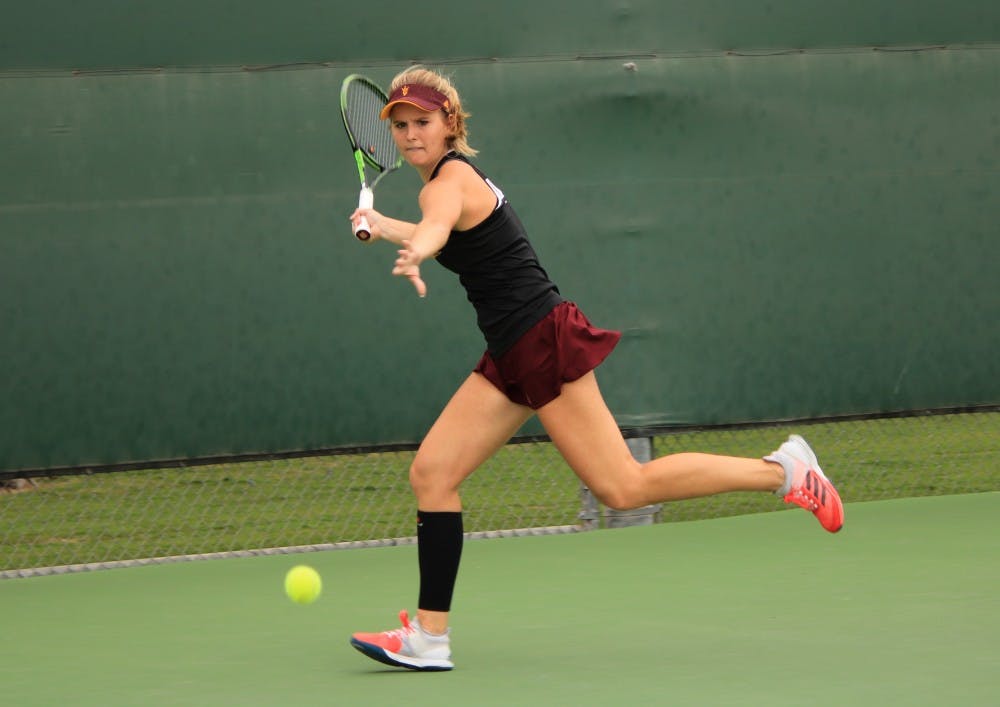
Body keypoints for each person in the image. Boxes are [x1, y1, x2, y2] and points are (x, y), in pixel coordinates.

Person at [347, 66, 844, 672]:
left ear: (450, 122)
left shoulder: (446, 183)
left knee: (623, 487)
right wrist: (385, 229)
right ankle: (430, 637)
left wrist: (416, 247)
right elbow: (446, 233)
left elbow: (439, 226)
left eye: (422, 122)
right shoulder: (452, 183)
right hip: (510, 352)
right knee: (432, 474)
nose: (409, 135)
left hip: (541, 342)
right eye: (399, 126)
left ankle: (783, 472)